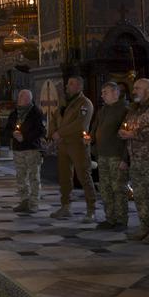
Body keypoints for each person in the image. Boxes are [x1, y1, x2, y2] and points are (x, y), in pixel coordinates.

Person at [119, 79, 149, 244]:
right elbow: (127, 126)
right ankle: (144, 227)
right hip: (136, 160)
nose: (134, 91)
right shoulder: (134, 109)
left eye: (137, 88)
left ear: (148, 89)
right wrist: (124, 132)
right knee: (140, 196)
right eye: (134, 88)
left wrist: (133, 134)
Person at [49, 76, 96, 220]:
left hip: (77, 145)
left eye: (71, 84)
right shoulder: (65, 103)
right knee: (64, 177)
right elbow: (54, 118)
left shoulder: (85, 103)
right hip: (63, 145)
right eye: (68, 84)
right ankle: (65, 206)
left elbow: (80, 124)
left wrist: (60, 133)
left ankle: (91, 209)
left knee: (84, 176)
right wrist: (53, 133)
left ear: (79, 87)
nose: (67, 86)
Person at [88, 82, 130, 230]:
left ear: (115, 93)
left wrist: (125, 158)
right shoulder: (102, 110)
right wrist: (90, 140)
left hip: (116, 156)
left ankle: (121, 219)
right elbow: (94, 130)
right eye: (102, 92)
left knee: (118, 188)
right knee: (105, 188)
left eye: (105, 92)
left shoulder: (125, 109)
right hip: (103, 155)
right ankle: (110, 218)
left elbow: (127, 137)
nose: (102, 95)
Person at [3, 89, 45, 213]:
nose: (22, 99)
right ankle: (24, 201)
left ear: (29, 99)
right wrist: (13, 134)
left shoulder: (36, 113)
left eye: (24, 97)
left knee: (34, 177)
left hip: (32, 149)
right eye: (21, 97)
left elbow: (41, 131)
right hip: (18, 150)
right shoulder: (14, 113)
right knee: (21, 177)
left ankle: (34, 203)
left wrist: (25, 136)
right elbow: (6, 130)